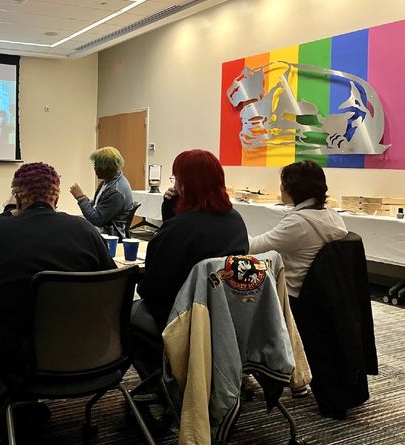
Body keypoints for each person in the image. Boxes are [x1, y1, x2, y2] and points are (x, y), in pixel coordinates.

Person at [0, 162, 116, 390]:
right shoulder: (84, 230)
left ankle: (19, 387)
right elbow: (109, 279)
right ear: (57, 198)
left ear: (18, 198)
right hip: (92, 348)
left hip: (21, 354)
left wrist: (6, 214)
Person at [131, 149, 248, 380]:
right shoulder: (235, 221)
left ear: (185, 184)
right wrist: (173, 209)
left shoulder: (180, 228)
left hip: (183, 316)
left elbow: (152, 289)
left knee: (127, 313)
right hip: (226, 315)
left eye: (177, 179)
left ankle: (161, 378)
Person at [249, 159, 347, 299]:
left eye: (283, 183)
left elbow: (254, 248)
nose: (281, 187)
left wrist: (235, 231)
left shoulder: (299, 223)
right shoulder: (333, 216)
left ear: (292, 188)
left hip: (292, 294)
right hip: (321, 293)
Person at [69, 146, 134, 240]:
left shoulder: (116, 191)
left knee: (71, 228)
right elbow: (97, 205)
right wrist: (85, 200)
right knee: (70, 221)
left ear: (106, 167)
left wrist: (81, 198)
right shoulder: (107, 182)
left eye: (96, 165)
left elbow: (97, 220)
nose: (94, 169)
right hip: (103, 225)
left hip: (110, 232)